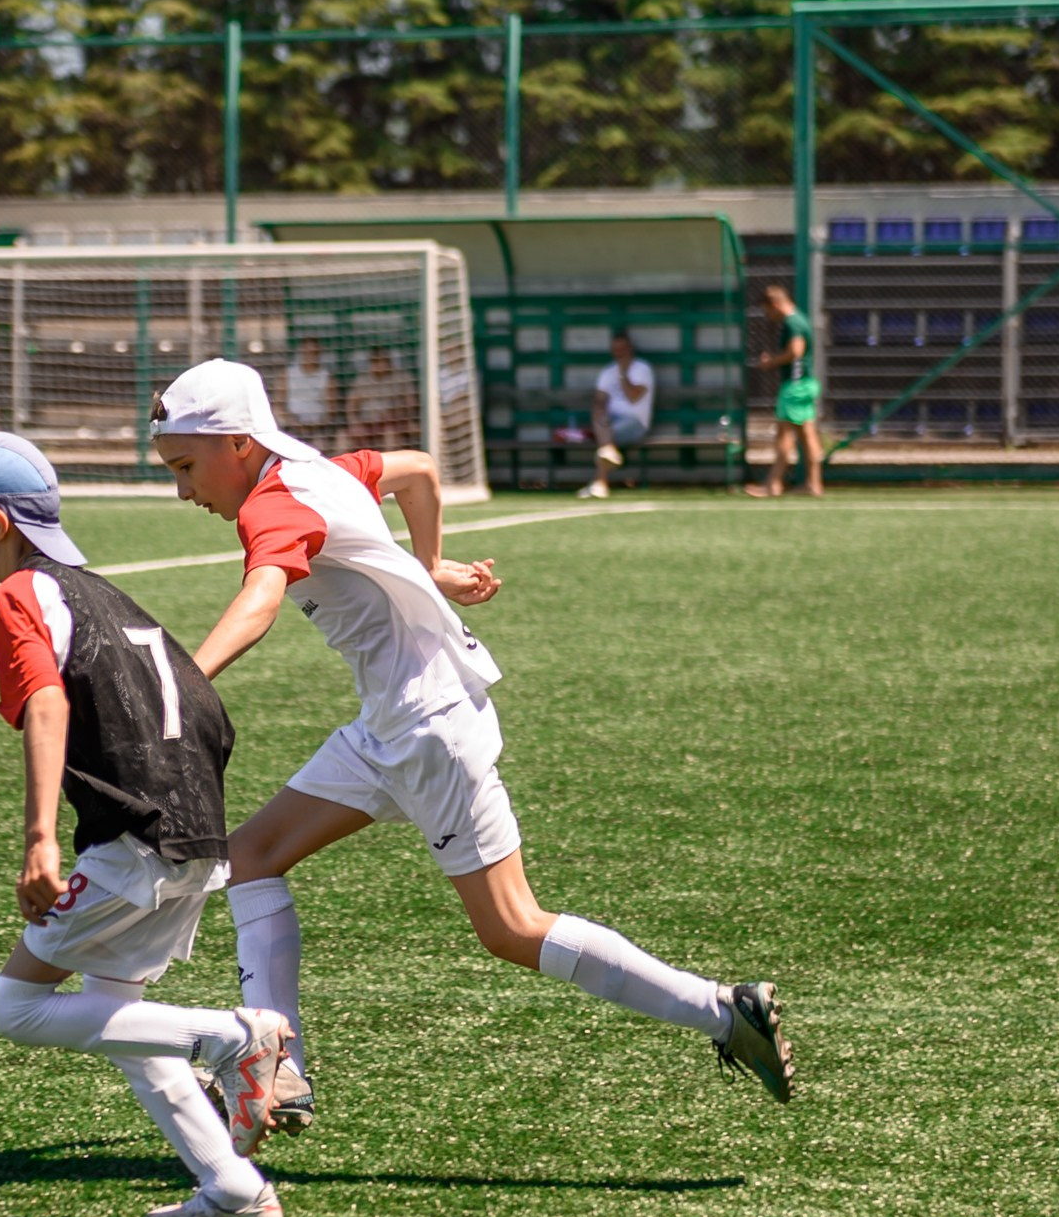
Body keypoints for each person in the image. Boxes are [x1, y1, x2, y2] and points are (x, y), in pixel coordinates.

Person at [149, 359, 794, 1139]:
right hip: (396, 724)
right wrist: (425, 566)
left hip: (427, 730)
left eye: (186, 467)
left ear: (240, 444)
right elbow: (417, 472)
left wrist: (182, 682)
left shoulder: (274, 506)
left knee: (512, 926)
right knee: (249, 856)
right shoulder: (319, 469)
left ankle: (725, 1011)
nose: (185, 490)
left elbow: (259, 601)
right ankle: (276, 1067)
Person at [0, 430, 293, 1217]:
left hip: (134, 837)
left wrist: (40, 839)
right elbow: (204, 708)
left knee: (15, 1006)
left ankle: (233, 1038)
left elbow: (47, 705)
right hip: (192, 830)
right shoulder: (107, 595)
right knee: (116, 1011)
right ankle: (234, 1188)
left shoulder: (16, 595)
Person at [747, 285, 824, 499]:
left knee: (784, 435)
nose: (768, 316)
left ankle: (773, 485)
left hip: (795, 386)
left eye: (767, 310)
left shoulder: (792, 322)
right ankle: (814, 484)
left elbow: (796, 351)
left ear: (775, 304)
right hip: (806, 383)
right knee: (807, 435)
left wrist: (771, 362)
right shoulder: (800, 318)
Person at [578, 330, 653, 501]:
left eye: (623, 349)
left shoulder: (642, 369)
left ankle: (600, 480)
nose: (619, 353)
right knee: (599, 415)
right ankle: (603, 474)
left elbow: (633, 397)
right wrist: (600, 411)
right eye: (616, 349)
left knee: (606, 438)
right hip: (610, 422)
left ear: (630, 349)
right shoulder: (606, 372)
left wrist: (622, 374)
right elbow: (599, 399)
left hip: (636, 423)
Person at [281, 337, 334, 443]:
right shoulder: (287, 374)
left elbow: (331, 410)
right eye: (307, 352)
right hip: (291, 426)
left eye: (314, 352)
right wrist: (293, 422)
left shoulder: (327, 377)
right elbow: (278, 405)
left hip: (318, 428)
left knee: (320, 444)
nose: (310, 355)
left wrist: (316, 425)